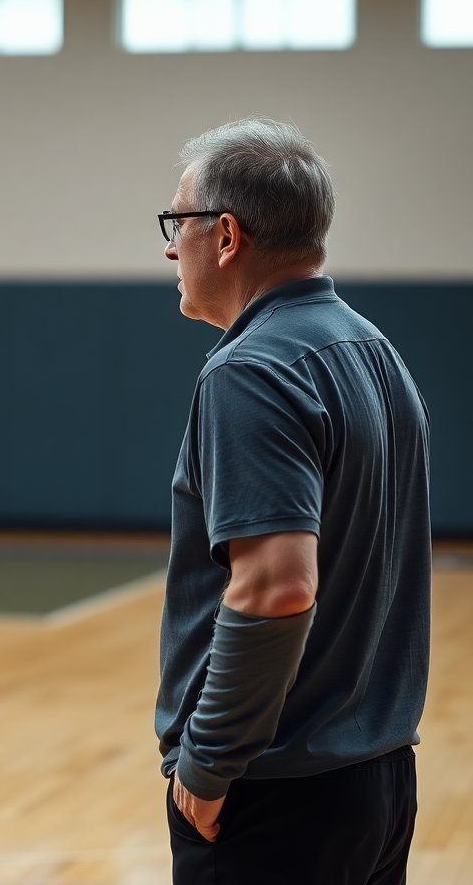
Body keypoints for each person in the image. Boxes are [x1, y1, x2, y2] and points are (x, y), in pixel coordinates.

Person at [155, 118, 431, 884]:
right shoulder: (374, 352)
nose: (172, 249)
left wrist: (209, 766)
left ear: (228, 234)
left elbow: (278, 584)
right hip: (376, 784)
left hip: (274, 796)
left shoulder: (251, 370)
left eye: (179, 224)